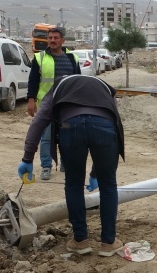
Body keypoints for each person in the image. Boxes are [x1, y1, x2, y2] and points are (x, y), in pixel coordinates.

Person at [18, 75, 125, 256]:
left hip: (71, 126)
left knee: (74, 184)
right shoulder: (104, 88)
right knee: (108, 185)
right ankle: (109, 243)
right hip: (105, 128)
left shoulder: (59, 85)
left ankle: (80, 241)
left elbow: (40, 120)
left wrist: (27, 159)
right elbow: (115, 124)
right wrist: (96, 173)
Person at [26, 27, 81, 180]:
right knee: (46, 137)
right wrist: (31, 100)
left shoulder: (72, 58)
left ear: (62, 41)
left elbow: (77, 82)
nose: (52, 40)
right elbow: (33, 81)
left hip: (67, 104)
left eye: (56, 38)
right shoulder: (40, 58)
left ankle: (65, 162)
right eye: (50, 38)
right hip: (46, 104)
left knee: (67, 134)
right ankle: (46, 166)